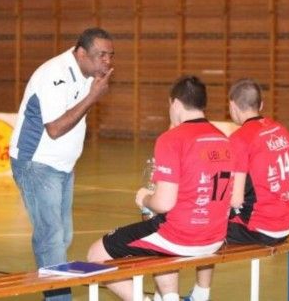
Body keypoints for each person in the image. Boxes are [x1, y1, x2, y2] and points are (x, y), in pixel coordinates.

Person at [87, 75, 240, 301]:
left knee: (96, 255)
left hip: (181, 237)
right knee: (153, 233)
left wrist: (145, 198)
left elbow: (164, 203)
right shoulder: (224, 140)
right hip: (215, 238)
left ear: (175, 104)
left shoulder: (171, 140)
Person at [184, 78, 289, 301]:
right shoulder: (278, 129)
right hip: (284, 225)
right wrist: (280, 189)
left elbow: (236, 200)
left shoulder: (240, 139)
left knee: (203, 225)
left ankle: (198, 295)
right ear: (261, 105)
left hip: (260, 229)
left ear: (232, 106)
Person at [9, 27, 114, 301]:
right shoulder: (54, 74)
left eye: (110, 55)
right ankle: (58, 298)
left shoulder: (86, 73)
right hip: (37, 164)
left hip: (62, 167)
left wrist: (91, 91)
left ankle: (50, 283)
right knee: (52, 237)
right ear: (81, 53)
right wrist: (92, 96)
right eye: (101, 55)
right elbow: (55, 129)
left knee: (62, 235)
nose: (107, 61)